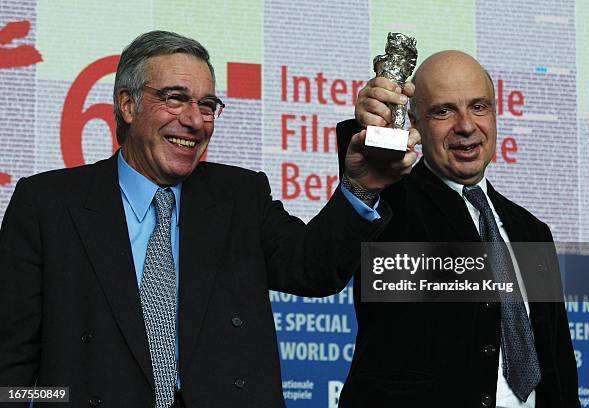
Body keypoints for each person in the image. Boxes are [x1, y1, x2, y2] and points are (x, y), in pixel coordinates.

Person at [0, 31, 406, 408]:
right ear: (127, 104)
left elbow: (311, 268)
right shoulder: (47, 205)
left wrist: (358, 186)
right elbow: (11, 362)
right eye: (175, 98)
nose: (195, 121)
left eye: (207, 105)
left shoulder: (241, 196)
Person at [335, 50, 579, 407]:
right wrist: (369, 128)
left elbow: (556, 364)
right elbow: (358, 200)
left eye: (479, 106)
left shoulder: (532, 231)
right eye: (444, 111)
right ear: (414, 123)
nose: (466, 126)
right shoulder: (392, 207)